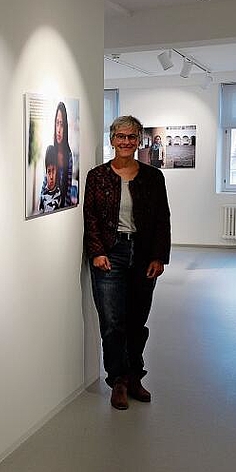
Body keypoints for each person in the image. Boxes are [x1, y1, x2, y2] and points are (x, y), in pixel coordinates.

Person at [84, 115, 171, 410]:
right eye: (120, 136)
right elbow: (91, 218)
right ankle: (118, 380)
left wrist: (159, 256)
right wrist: (97, 251)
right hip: (111, 253)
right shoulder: (97, 176)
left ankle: (135, 376)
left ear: (139, 141)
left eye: (131, 137)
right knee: (112, 322)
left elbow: (162, 219)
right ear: (112, 140)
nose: (126, 142)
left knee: (137, 320)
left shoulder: (152, 177)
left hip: (144, 254)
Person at [39, 144, 61, 213]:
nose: (51, 176)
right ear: (46, 173)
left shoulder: (60, 194)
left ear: (57, 171)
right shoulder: (42, 196)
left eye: (53, 170)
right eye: (48, 172)